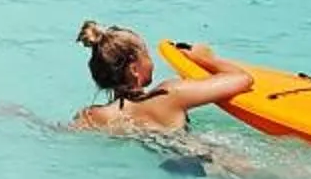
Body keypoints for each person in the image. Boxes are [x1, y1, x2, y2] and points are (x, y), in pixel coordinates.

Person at [68, 23, 255, 136]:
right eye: (146, 54)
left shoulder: (93, 116)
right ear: (134, 69)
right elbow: (242, 79)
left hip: (169, 166)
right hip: (206, 159)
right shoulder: (170, 94)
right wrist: (201, 58)